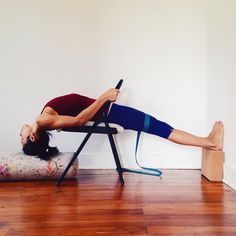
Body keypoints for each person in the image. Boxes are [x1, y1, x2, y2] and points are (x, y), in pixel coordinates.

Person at [20, 88, 224, 160]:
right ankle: (211, 143)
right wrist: (103, 98)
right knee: (161, 128)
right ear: (32, 137)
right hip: (111, 112)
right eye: (22, 138)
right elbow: (80, 119)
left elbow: (74, 118)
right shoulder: (42, 120)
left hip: (110, 112)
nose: (20, 134)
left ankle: (207, 141)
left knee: (160, 126)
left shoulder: (47, 122)